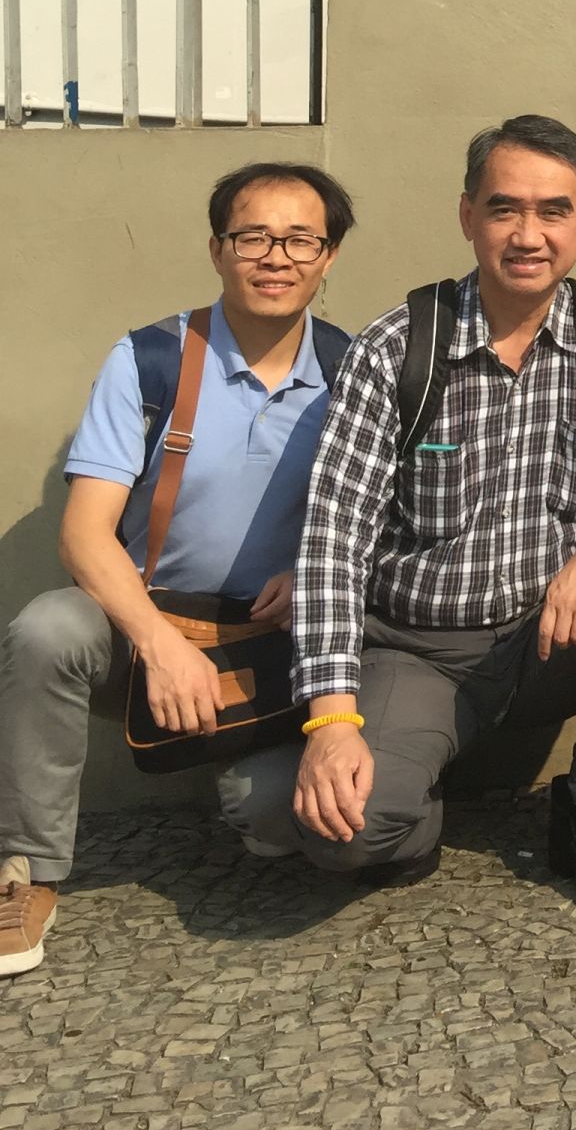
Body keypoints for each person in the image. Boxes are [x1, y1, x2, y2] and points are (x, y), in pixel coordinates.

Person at [221, 115, 576, 910]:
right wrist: (331, 723)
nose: (529, 235)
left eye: (553, 210)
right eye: (504, 209)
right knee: (342, 837)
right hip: (416, 653)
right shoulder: (397, 349)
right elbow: (333, 542)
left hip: (551, 645)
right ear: (468, 217)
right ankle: (413, 809)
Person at [0, 162, 357, 979]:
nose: (277, 256)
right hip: (149, 619)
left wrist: (316, 570)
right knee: (48, 628)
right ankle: (24, 870)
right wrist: (158, 644)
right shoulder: (151, 359)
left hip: (277, 639)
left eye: (301, 239)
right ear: (217, 247)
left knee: (278, 818)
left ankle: (251, 797)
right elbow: (85, 536)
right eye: (253, 236)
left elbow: (384, 514)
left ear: (328, 256)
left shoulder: (355, 366)